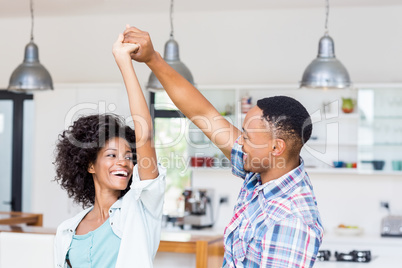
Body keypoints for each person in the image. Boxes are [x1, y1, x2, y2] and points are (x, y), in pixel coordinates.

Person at [123, 27, 324, 267]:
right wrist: (152, 58)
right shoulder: (263, 173)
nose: (239, 142)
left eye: (248, 137)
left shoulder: (291, 218)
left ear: (276, 148)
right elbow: (203, 113)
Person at [53, 28, 166, 268]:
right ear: (90, 165)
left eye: (128, 156)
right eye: (112, 155)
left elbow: (144, 135)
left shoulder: (141, 209)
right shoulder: (67, 231)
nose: (124, 162)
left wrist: (125, 63)